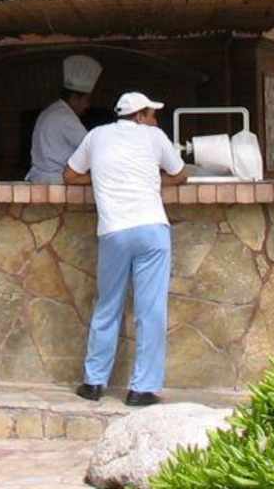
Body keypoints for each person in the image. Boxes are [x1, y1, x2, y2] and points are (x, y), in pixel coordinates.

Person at [64, 91, 188, 406]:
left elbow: (70, 175)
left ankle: (93, 383)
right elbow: (181, 174)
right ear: (140, 116)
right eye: (152, 114)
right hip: (151, 228)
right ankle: (142, 389)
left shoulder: (96, 135)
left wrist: (100, 178)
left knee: (108, 305)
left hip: (114, 231)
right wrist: (152, 180)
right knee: (151, 310)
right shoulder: (154, 137)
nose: (155, 120)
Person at [27, 54, 104, 183]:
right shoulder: (66, 118)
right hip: (56, 182)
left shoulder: (51, 110)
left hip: (41, 179)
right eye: (86, 100)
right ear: (74, 98)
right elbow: (91, 147)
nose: (87, 106)